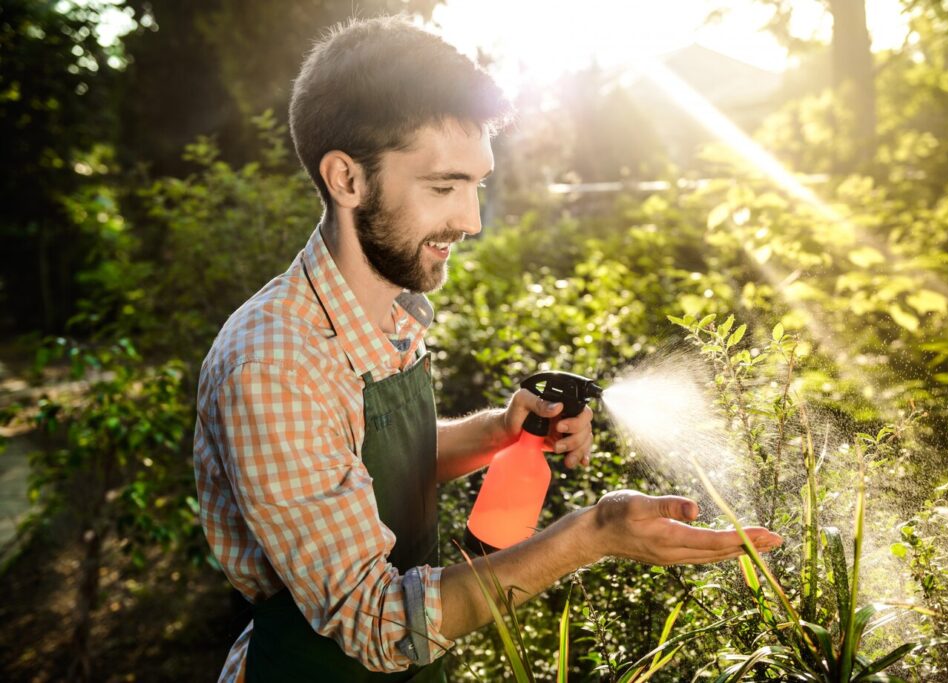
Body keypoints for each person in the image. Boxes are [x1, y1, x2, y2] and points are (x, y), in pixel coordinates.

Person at [193, 15, 782, 683]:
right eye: (444, 187)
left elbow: (362, 461)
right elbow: (379, 623)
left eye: (477, 184)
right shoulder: (275, 364)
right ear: (347, 180)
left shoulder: (390, 309)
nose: (471, 219)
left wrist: (500, 431)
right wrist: (593, 535)